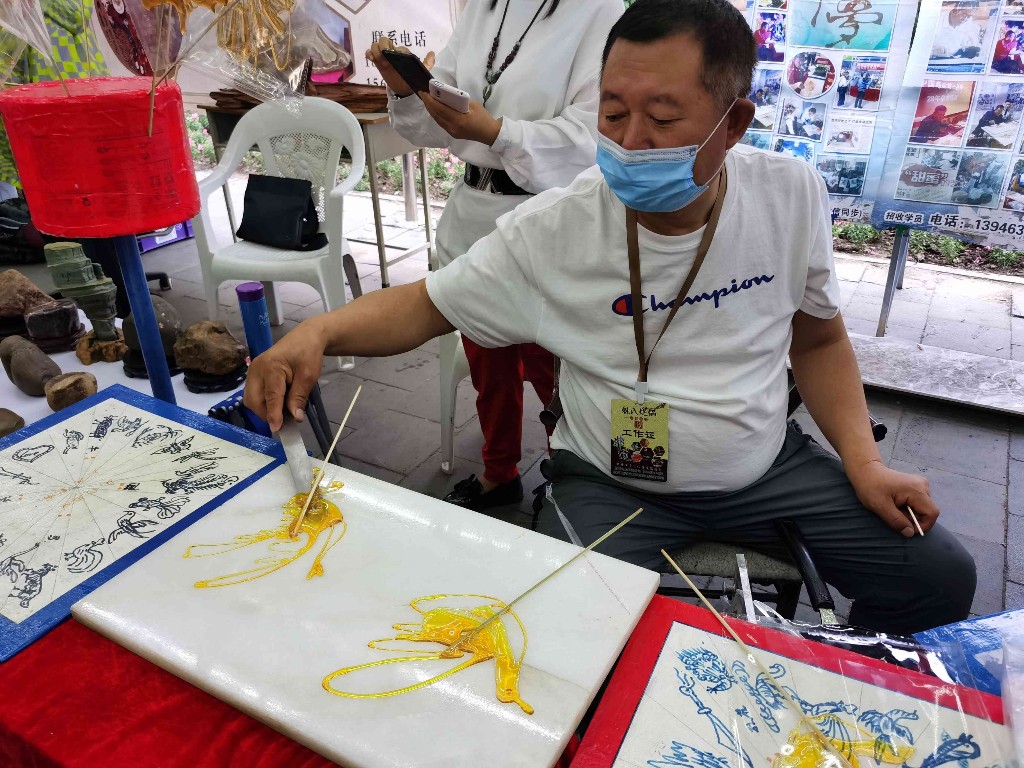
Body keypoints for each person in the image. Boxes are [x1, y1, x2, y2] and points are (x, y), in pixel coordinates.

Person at [247, 0, 976, 635]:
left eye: (662, 118)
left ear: (733, 124)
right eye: (613, 113)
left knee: (939, 575)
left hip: (763, 466)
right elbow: (423, 305)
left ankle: (849, 686)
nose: (629, 143)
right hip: (610, 480)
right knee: (557, 627)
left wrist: (864, 463)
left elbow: (818, 339)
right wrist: (317, 332)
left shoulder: (789, 195)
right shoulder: (556, 227)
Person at [365, 0, 623, 511]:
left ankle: (570, 479)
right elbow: (440, 115)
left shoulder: (600, 10)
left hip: (552, 218)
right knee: (489, 365)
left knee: (557, 373)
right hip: (473, 215)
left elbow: (593, 135)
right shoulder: (485, 7)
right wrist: (408, 89)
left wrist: (497, 133)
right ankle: (499, 472)